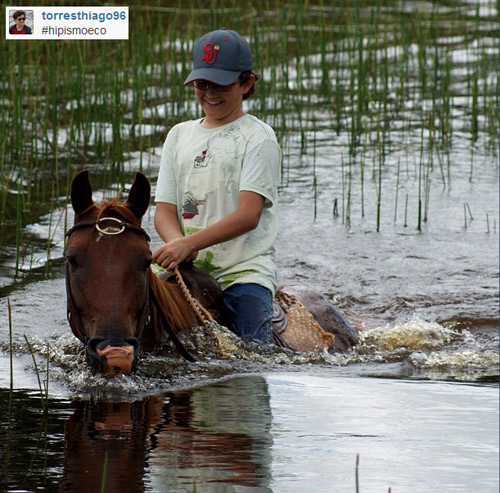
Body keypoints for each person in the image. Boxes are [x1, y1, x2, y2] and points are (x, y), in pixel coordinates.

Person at [153, 28, 281, 345]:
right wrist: (176, 245)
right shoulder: (178, 135)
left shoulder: (258, 137)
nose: (209, 92)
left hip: (241, 271)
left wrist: (191, 243)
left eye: (221, 84)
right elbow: (165, 210)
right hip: (185, 265)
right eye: (201, 83)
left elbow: (249, 214)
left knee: (251, 349)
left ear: (247, 83)